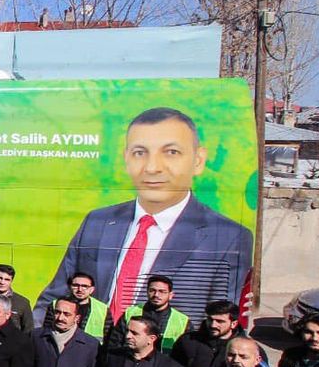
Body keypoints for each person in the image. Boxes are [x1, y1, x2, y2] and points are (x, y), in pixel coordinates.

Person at [35, 107, 253, 325]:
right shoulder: (98, 222)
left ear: (198, 160)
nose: (152, 167)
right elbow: (54, 298)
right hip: (91, 348)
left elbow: (223, 322)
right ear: (126, 159)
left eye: (171, 152)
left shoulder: (228, 237)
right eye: (140, 153)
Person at [110, 274, 188, 352]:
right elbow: (115, 342)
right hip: (131, 361)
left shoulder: (182, 321)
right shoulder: (131, 312)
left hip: (165, 363)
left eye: (162, 291)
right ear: (147, 291)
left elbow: (187, 351)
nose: (156, 295)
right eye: (152, 290)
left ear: (171, 295)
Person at [66, 271, 109, 341]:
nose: (80, 290)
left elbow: (109, 337)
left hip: (92, 350)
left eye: (85, 286)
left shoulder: (103, 309)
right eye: (76, 285)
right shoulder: (55, 305)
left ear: (92, 289)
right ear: (69, 287)